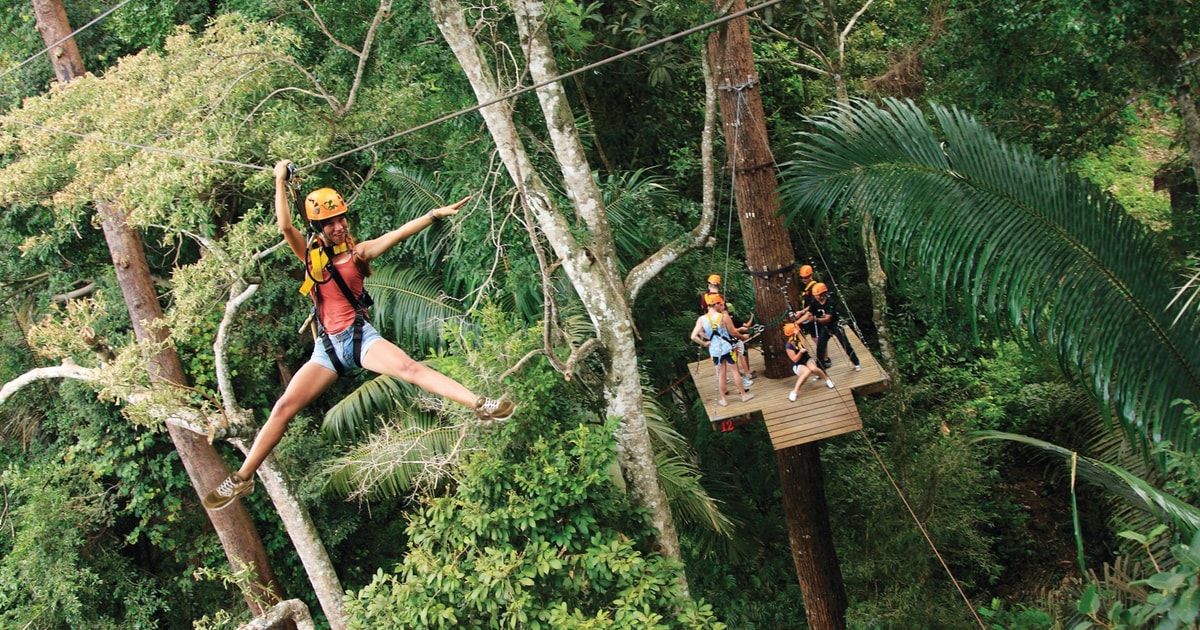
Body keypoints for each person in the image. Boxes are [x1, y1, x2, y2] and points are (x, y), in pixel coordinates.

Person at [202, 160, 515, 511]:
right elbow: (285, 225)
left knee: (410, 369)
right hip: (327, 350)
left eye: (342, 219)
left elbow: (397, 234)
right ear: (319, 227)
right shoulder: (309, 256)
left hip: (359, 338)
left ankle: (480, 403)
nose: (340, 226)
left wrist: (433, 215)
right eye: (331, 222)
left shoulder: (358, 253)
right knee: (283, 408)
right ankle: (242, 479)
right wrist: (279, 180)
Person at [690, 293, 753, 407]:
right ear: (716, 304)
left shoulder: (701, 319)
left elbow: (693, 336)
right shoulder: (724, 316)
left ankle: (724, 399)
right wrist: (743, 337)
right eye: (721, 304)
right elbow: (733, 332)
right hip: (727, 348)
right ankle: (743, 395)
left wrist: (705, 342)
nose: (723, 306)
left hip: (714, 351)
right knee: (734, 371)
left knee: (720, 374)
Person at [809, 282, 861, 371]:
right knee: (820, 348)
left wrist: (815, 320)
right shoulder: (814, 302)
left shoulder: (830, 303)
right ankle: (820, 369)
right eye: (815, 295)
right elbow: (809, 313)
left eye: (817, 295)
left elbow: (828, 318)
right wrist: (802, 318)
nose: (815, 297)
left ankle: (856, 363)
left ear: (822, 294)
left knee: (846, 345)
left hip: (835, 326)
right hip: (825, 328)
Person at [784, 322, 833, 401]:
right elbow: (795, 359)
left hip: (806, 358)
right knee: (807, 372)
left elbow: (806, 347)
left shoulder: (800, 338)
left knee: (813, 368)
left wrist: (799, 335)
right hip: (798, 363)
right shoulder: (788, 346)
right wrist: (800, 352)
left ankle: (827, 379)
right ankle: (794, 392)